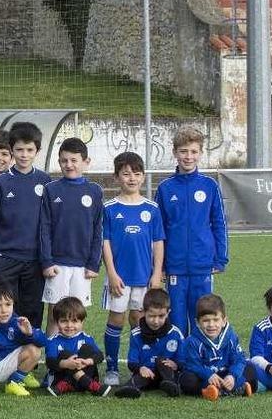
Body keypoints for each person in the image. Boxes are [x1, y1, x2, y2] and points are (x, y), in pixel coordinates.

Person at [155, 127, 228, 336]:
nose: (189, 156)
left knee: (203, 316)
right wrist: (159, 266)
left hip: (202, 265)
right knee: (176, 318)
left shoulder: (209, 186)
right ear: (175, 153)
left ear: (201, 153)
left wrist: (220, 259)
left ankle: (200, 362)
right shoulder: (165, 188)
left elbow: (219, 224)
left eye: (194, 151)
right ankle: (179, 364)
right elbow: (159, 231)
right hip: (175, 267)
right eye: (184, 151)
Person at [101, 151, 165, 386]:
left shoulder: (152, 208)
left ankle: (141, 365)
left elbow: (158, 242)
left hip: (144, 277)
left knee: (139, 320)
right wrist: (111, 272)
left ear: (144, 177)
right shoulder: (109, 207)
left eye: (136, 174)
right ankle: (111, 369)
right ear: (116, 177)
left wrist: (157, 273)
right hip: (118, 277)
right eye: (126, 174)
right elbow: (104, 241)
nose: (132, 178)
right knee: (116, 319)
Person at [0, 123, 51, 329]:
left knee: (32, 311)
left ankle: (28, 358)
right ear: (12, 150)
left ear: (37, 151)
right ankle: (2, 356)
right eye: (19, 149)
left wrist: (46, 257)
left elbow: (49, 223)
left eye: (29, 150)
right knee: (3, 311)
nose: (24, 154)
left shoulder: (45, 180)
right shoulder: (1, 182)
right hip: (6, 260)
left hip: (35, 261)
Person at [39, 137, 103, 335]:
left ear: (86, 162)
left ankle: (73, 358)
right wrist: (47, 261)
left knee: (76, 313)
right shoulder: (51, 189)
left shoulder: (94, 191)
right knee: (54, 313)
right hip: (57, 263)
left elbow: (98, 229)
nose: (69, 165)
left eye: (74, 160)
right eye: (64, 160)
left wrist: (94, 263)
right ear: (59, 162)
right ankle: (53, 360)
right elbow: (45, 228)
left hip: (82, 265)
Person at [179, 294, 256, 400]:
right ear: (197, 322)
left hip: (225, 373)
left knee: (250, 368)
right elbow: (191, 365)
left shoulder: (231, 337)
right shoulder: (192, 341)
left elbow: (239, 359)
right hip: (205, 378)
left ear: (224, 321)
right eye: (206, 321)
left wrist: (232, 375)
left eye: (216, 320)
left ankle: (225, 388)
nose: (211, 324)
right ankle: (229, 389)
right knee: (187, 379)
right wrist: (208, 375)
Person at [114, 288, 184, 398]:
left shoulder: (175, 333)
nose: (156, 321)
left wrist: (176, 365)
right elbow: (132, 362)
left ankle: (171, 386)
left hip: (167, 375)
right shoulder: (136, 334)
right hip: (147, 374)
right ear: (143, 312)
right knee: (141, 376)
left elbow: (183, 360)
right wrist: (141, 368)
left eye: (161, 316)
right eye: (151, 316)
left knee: (161, 361)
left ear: (168, 313)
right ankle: (129, 388)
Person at [45, 297, 112, 397]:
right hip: (60, 380)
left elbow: (100, 356)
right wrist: (66, 364)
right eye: (64, 321)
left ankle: (72, 382)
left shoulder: (86, 338)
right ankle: (92, 386)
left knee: (87, 349)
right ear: (56, 321)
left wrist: (88, 361)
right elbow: (50, 363)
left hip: (85, 375)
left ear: (82, 322)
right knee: (65, 354)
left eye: (74, 321)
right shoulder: (52, 340)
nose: (69, 325)